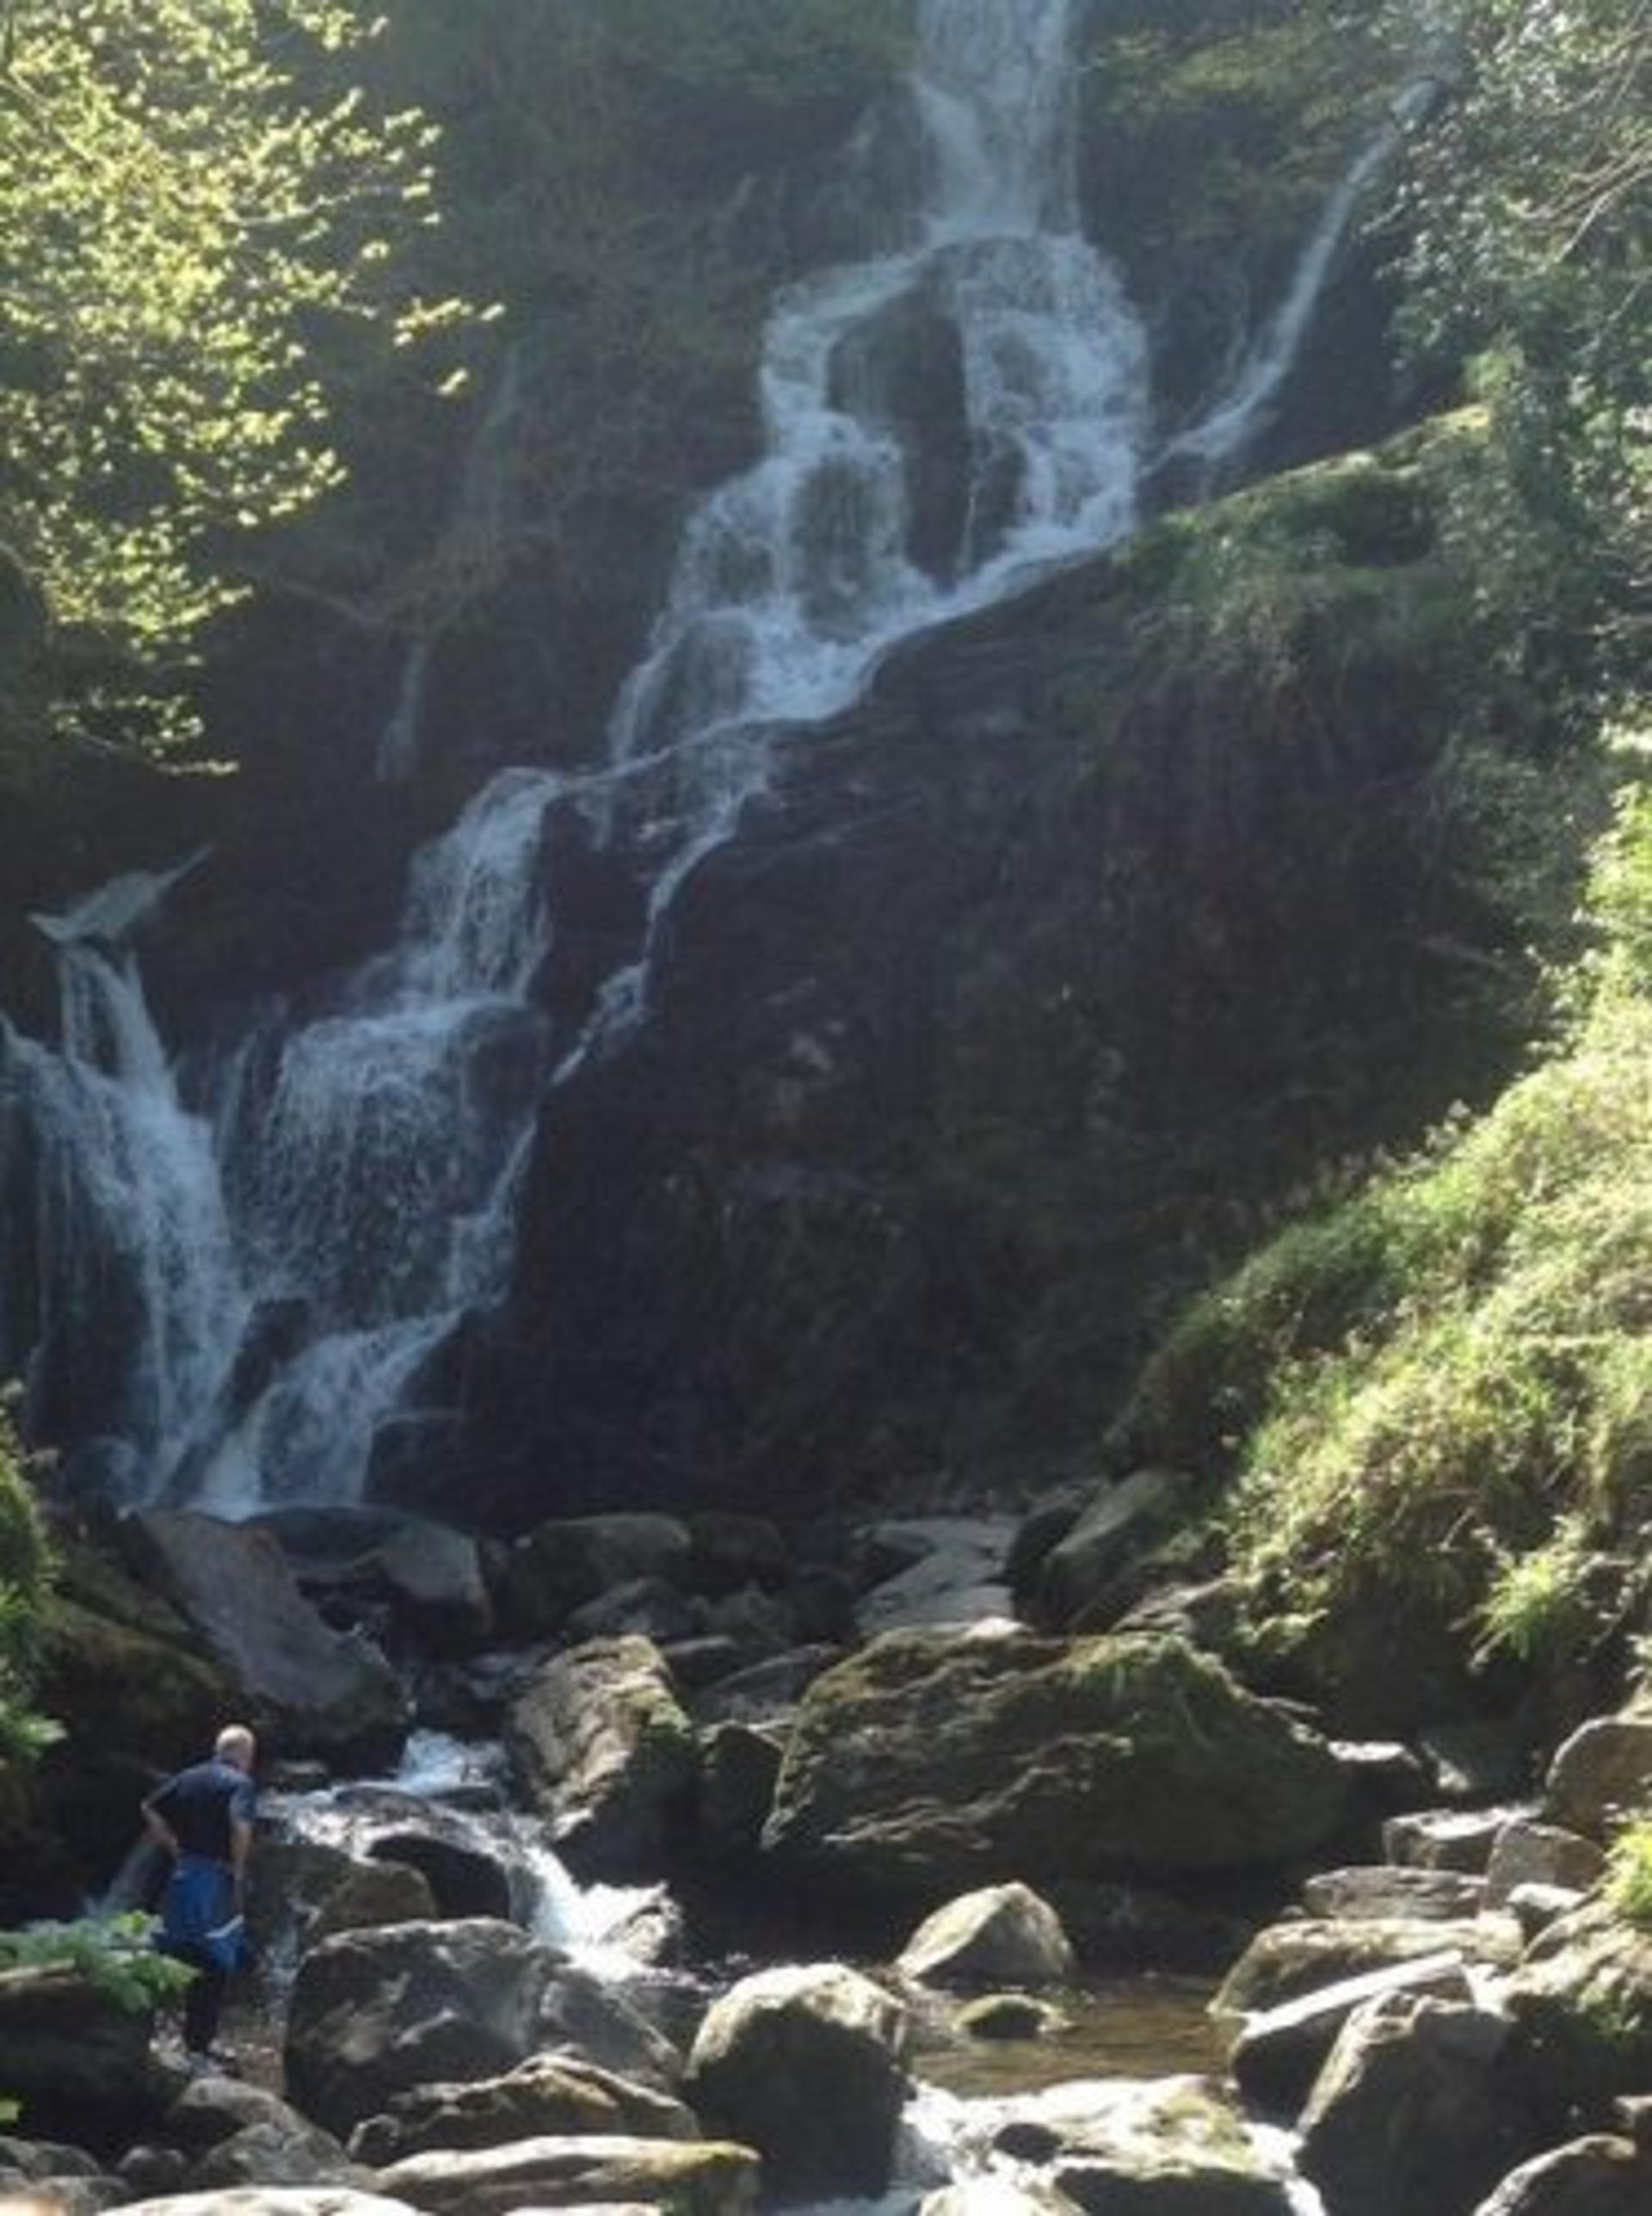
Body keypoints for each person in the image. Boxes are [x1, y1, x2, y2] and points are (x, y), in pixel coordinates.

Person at [141, 1723, 257, 2070]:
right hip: (214, 1878)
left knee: (172, 1951)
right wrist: (237, 1871)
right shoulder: (241, 1784)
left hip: (180, 1876)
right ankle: (198, 2049)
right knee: (215, 1962)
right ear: (245, 1755)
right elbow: (240, 1826)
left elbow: (149, 1807)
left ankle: (152, 2036)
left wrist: (172, 1845)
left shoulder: (189, 1776)